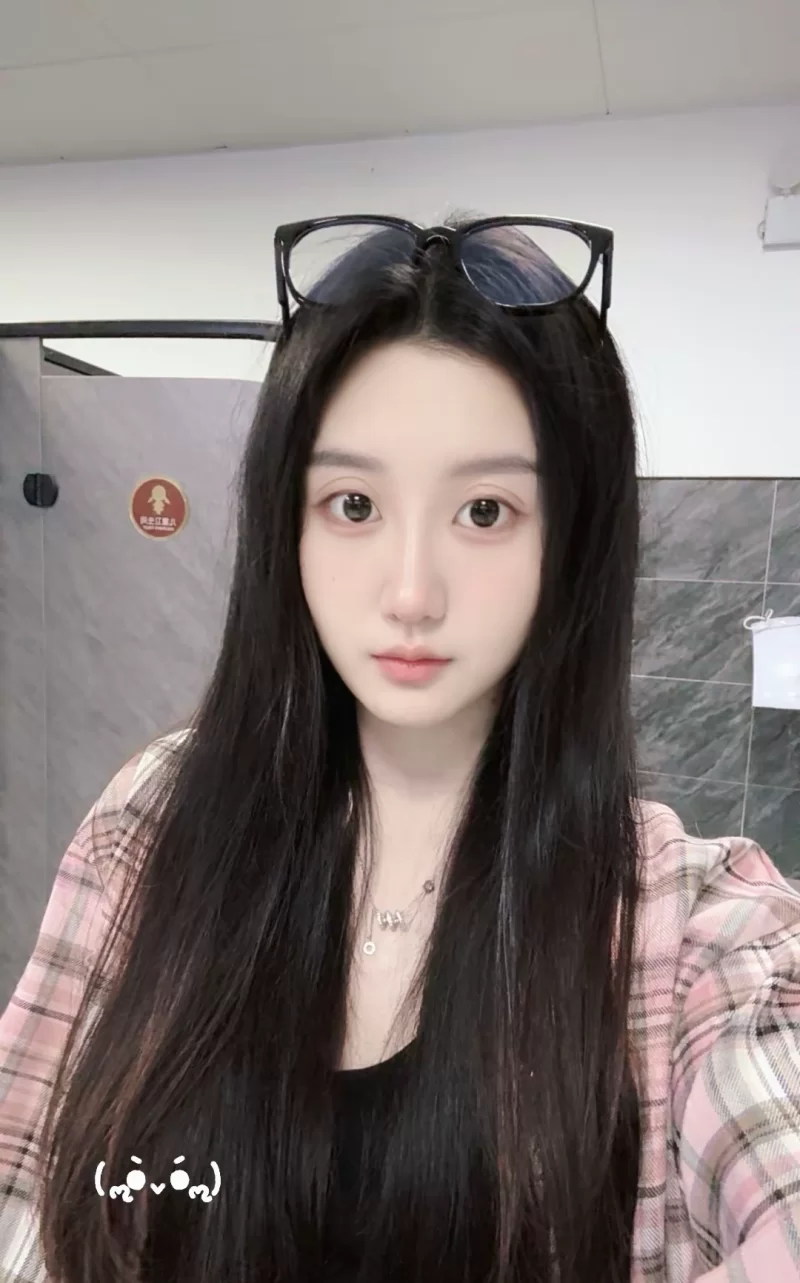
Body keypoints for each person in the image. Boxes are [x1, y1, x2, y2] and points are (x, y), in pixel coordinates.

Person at [0, 211, 798, 1283]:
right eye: (353, 503)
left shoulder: (687, 921)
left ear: (572, 540)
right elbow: (21, 1167)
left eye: (485, 511)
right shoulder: (158, 819)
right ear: (286, 522)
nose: (411, 591)